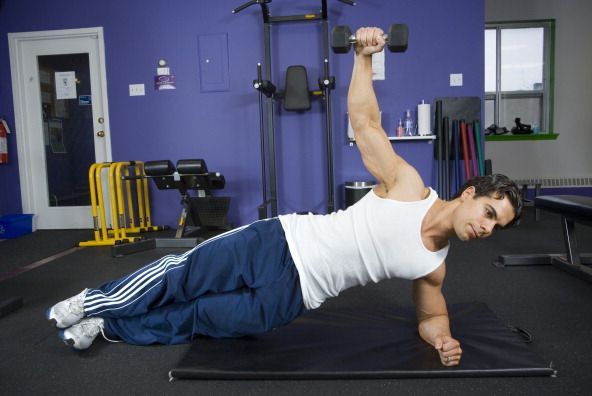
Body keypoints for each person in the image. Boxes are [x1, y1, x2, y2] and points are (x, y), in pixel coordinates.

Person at [47, 27, 522, 367]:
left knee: (200, 317)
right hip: (278, 242)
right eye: (488, 212)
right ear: (468, 193)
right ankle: (93, 301)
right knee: (182, 278)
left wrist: (443, 341)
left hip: (296, 296)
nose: (486, 227)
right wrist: (362, 57)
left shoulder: (433, 266)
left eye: (495, 225)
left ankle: (108, 328)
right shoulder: (409, 188)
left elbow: (432, 314)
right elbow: (366, 124)